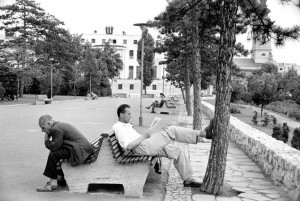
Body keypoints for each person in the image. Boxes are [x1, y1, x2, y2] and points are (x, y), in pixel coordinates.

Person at [112, 104, 213, 187]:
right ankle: (203, 134)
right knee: (171, 130)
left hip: (145, 145)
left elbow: (135, 139)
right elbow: (129, 146)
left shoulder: (126, 125)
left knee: (178, 151)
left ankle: (188, 180)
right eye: (128, 114)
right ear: (121, 115)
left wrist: (147, 135)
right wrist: (145, 136)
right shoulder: (118, 127)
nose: (130, 116)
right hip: (142, 147)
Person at [36, 115, 94, 192]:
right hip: (82, 149)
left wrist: (46, 140)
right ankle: (59, 178)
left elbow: (54, 147)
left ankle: (53, 183)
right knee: (55, 154)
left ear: (49, 123)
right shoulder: (58, 126)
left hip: (79, 151)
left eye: (43, 127)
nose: (42, 131)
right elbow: (58, 145)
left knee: (53, 154)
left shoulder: (56, 129)